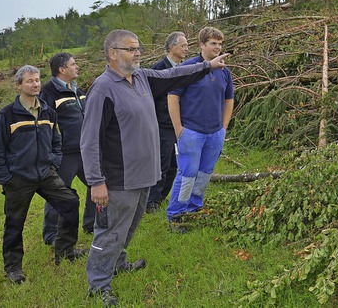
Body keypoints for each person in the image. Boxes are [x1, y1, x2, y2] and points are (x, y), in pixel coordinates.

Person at [80, 29, 228, 306]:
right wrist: (96, 181)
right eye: (131, 49)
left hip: (145, 174)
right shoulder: (102, 89)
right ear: (113, 54)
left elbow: (175, 75)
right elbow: (89, 141)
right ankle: (98, 283)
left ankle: (118, 262)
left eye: (138, 48)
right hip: (118, 178)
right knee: (111, 231)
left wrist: (207, 65)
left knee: (130, 226)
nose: (138, 53)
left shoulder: (141, 78)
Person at [0, 65, 87, 285]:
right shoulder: (7, 115)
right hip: (19, 179)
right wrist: (7, 179)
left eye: (37, 80)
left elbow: (56, 142)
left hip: (45, 174)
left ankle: (65, 251)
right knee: (15, 223)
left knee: (70, 202)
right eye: (30, 81)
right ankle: (13, 268)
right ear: (18, 85)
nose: (35, 84)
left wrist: (54, 163)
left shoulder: (48, 112)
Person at [166, 26, 234, 233]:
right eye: (213, 43)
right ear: (202, 45)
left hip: (214, 133)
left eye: (220, 44)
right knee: (188, 174)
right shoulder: (188, 67)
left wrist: (223, 127)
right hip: (192, 132)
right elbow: (173, 97)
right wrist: (179, 129)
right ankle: (176, 214)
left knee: (205, 173)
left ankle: (194, 208)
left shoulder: (224, 70)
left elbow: (229, 99)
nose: (217, 47)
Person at [40, 53, 95, 245]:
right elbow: (45, 125)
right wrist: (52, 154)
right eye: (73, 64)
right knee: (59, 192)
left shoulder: (76, 89)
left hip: (84, 150)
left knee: (95, 184)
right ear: (62, 69)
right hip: (65, 154)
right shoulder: (48, 92)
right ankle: (51, 234)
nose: (77, 66)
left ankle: (91, 223)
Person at [146, 31, 189, 213]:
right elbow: (149, 99)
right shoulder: (159, 70)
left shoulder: (182, 68)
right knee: (161, 164)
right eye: (183, 45)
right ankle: (151, 202)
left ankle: (162, 196)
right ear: (172, 47)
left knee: (174, 164)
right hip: (161, 125)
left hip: (176, 124)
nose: (187, 49)